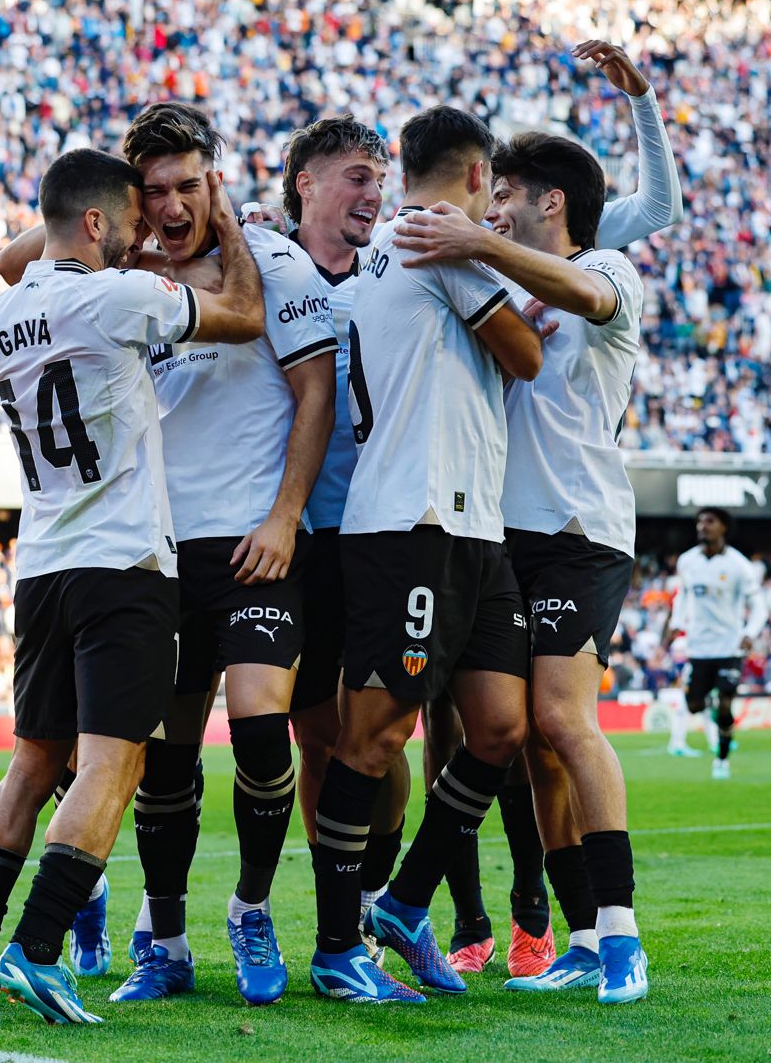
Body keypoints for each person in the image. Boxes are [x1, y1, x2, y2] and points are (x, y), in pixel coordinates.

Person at [0, 147, 263, 1025]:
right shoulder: (121, 297)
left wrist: (84, 218)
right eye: (126, 220)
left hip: (40, 563)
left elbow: (32, 252)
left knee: (30, 761)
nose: (141, 234)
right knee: (114, 763)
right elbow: (240, 313)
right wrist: (223, 221)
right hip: (123, 564)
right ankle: (38, 950)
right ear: (93, 223)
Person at [392, 126, 654, 1002]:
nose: (490, 204)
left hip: (581, 529)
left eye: (504, 192)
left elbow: (583, 290)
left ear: (549, 202)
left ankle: (622, 937)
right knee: (531, 747)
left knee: (564, 719)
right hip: (504, 529)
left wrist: (479, 240)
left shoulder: (611, 271)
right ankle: (578, 933)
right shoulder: (497, 274)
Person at [306, 105, 542, 1005]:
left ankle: (403, 908)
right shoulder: (432, 243)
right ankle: (337, 948)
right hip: (410, 522)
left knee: (499, 729)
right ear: (478, 175)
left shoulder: (413, 247)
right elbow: (522, 354)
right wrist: (501, 273)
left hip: (471, 523)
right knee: (374, 738)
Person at [262, 115, 415, 965]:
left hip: (383, 534)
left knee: (382, 738)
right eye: (358, 175)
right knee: (316, 739)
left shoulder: (392, 275)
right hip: (298, 540)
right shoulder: (257, 265)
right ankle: (342, 917)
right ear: (305, 185)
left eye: (380, 177)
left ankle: (372, 891)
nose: (374, 193)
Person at [662, 508, 765, 779]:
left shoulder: (739, 565)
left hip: (729, 646)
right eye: (699, 522)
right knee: (695, 704)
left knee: (725, 703)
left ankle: (721, 759)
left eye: (709, 522)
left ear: (723, 528)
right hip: (699, 647)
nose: (702, 526)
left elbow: (759, 607)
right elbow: (683, 596)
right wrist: (676, 624)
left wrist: (750, 632)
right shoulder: (687, 562)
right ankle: (708, 696)